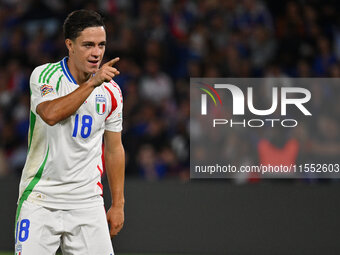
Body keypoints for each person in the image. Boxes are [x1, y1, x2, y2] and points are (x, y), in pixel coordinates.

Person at [15, 10, 124, 254]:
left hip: (87, 202)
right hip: (41, 198)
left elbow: (115, 149)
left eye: (101, 45)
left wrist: (118, 204)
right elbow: (51, 114)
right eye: (88, 45)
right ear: (69, 45)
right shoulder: (45, 76)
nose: (96, 53)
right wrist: (91, 83)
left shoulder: (112, 92)